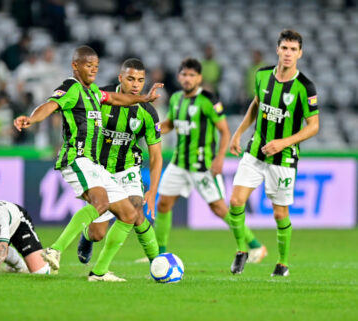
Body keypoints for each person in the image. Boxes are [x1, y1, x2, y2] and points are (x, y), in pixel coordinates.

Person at [14, 45, 163, 282]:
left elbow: (115, 99)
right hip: (80, 158)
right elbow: (51, 104)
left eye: (96, 66)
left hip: (111, 166)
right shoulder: (72, 87)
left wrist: (145, 98)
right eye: (88, 65)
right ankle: (56, 249)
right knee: (100, 214)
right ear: (75, 66)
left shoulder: (95, 92)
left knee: (129, 213)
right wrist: (31, 119)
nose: (93, 70)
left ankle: (102, 272)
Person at [155, 58, 267, 262]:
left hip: (203, 165)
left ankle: (256, 246)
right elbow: (170, 123)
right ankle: (159, 254)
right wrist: (150, 129)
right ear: (179, 77)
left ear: (199, 77)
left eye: (192, 75)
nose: (187, 79)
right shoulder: (176, 98)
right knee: (163, 204)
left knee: (219, 209)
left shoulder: (208, 100)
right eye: (184, 74)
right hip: (179, 163)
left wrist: (219, 159)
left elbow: (224, 131)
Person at [228, 29, 319, 277]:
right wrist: (238, 133)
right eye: (284, 48)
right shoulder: (262, 75)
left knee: (280, 214)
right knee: (235, 201)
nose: (288, 53)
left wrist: (284, 142)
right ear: (277, 49)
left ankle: (282, 263)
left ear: (300, 53)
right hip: (256, 151)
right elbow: (256, 104)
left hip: (283, 158)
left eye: (293, 49)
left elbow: (314, 126)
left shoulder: (305, 87)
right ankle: (241, 250)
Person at [76, 58, 162, 264]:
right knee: (98, 233)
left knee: (136, 214)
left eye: (140, 80)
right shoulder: (100, 98)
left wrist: (152, 191)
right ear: (120, 78)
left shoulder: (148, 112)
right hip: (99, 169)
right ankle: (87, 236)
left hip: (127, 168)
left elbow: (156, 156)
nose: (135, 85)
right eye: (130, 79)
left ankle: (158, 264)